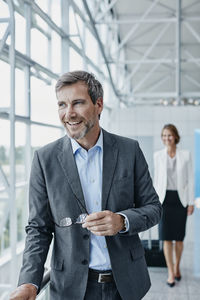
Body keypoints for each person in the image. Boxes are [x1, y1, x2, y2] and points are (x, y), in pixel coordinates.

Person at [10, 70, 162, 300]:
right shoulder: (45, 159)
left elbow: (153, 208)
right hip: (71, 288)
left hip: (126, 285)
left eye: (77, 103)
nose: (68, 113)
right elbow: (38, 228)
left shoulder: (129, 151)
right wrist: (29, 283)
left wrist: (122, 221)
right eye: (62, 104)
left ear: (98, 104)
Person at [154, 124, 194, 287]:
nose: (166, 138)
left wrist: (190, 202)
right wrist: (154, 202)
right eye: (164, 135)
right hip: (164, 200)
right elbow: (156, 180)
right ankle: (171, 272)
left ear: (175, 137)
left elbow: (190, 180)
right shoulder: (158, 155)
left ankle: (177, 267)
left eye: (169, 135)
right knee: (165, 238)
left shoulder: (186, 155)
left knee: (178, 239)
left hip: (180, 200)